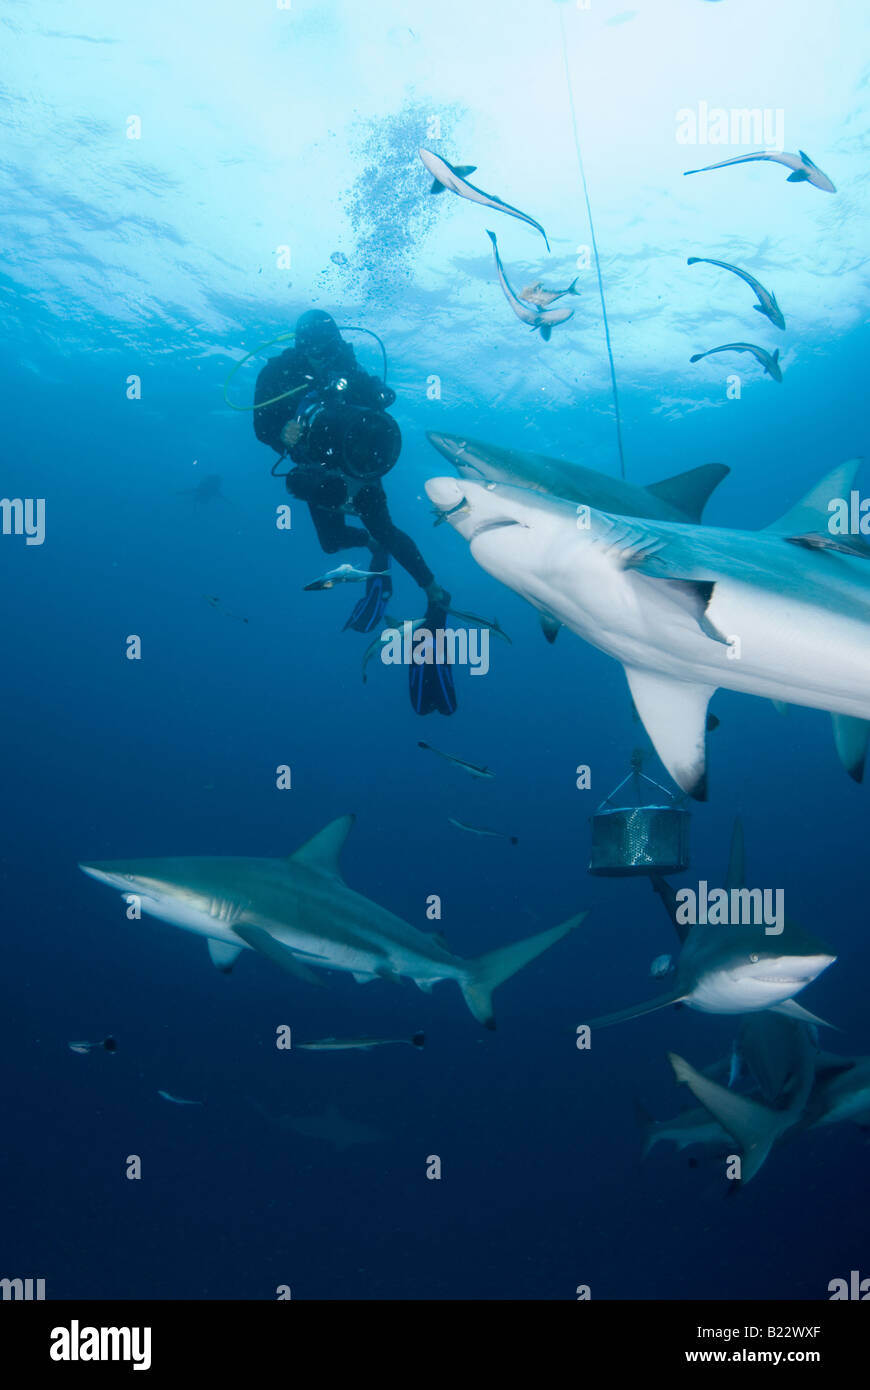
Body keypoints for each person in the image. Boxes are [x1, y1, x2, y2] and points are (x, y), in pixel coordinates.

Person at [254, 310, 456, 713]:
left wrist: (376, 393)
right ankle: (372, 548)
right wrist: (281, 433)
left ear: (335, 343)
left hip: (358, 463)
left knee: (386, 529)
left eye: (327, 348)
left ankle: (435, 591)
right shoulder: (278, 374)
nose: (320, 357)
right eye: (312, 349)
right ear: (299, 346)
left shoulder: (348, 366)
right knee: (330, 544)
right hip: (316, 468)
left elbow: (378, 410)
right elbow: (260, 426)